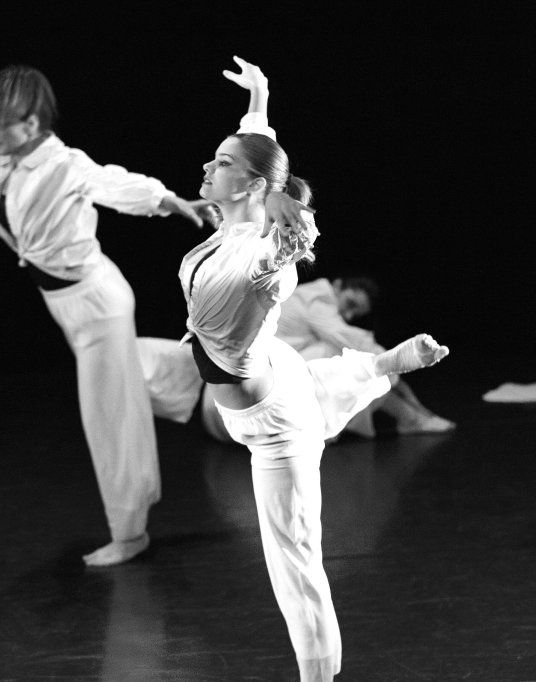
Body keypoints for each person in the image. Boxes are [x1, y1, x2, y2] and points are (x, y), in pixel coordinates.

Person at [178, 56, 449, 681]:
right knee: (310, 378)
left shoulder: (263, 256)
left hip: (273, 425)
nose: (207, 167)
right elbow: (259, 149)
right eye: (214, 158)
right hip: (274, 370)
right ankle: (383, 363)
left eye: (221, 163)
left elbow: (286, 245)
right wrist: (260, 97)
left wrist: (285, 215)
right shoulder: (236, 219)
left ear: (250, 187)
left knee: (295, 559)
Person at [0, 65, 207, 567]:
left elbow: (111, 182)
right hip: (72, 305)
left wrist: (167, 201)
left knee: (108, 417)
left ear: (33, 123)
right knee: (123, 384)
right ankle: (202, 373)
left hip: (97, 307)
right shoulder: (12, 160)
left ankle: (130, 533)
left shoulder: (63, 164)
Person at [137, 273, 456, 440]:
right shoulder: (317, 300)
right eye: (349, 304)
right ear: (337, 285)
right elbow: (350, 340)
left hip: (235, 404)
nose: (347, 314)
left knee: (349, 360)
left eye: (354, 313)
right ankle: (412, 417)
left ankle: (413, 415)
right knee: (342, 354)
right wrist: (396, 373)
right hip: (244, 405)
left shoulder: (307, 299)